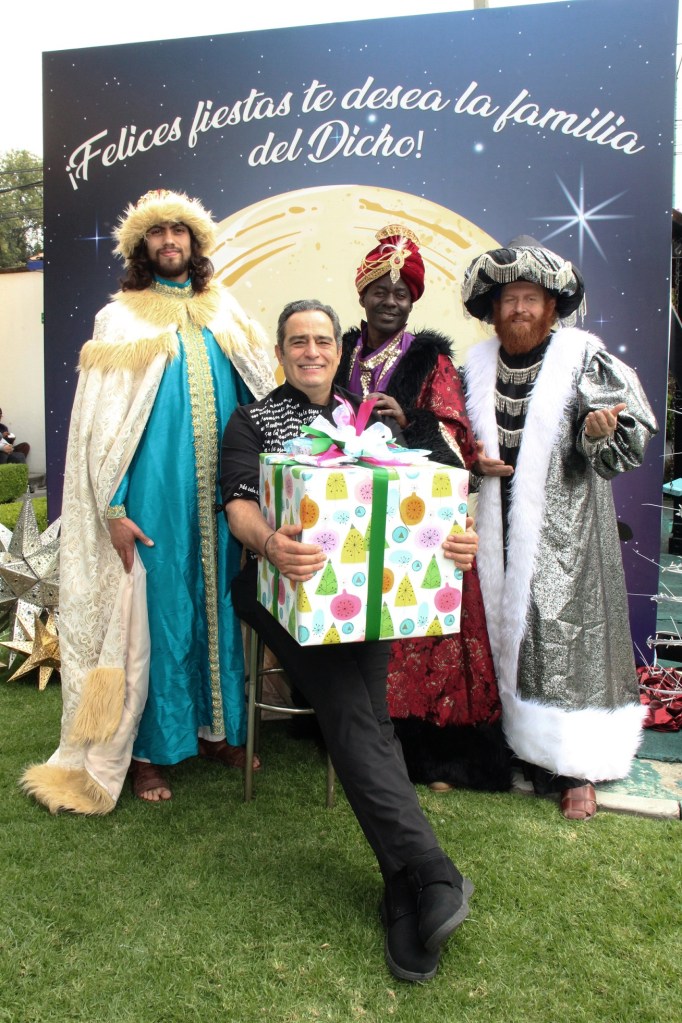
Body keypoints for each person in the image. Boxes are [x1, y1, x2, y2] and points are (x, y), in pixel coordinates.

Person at [221, 298, 478, 983]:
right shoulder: (253, 420)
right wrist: (270, 543)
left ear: (339, 351)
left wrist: (456, 539)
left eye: (323, 340)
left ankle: (405, 890)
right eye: (297, 341)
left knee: (358, 716)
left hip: (364, 595)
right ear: (281, 352)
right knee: (354, 710)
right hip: (275, 587)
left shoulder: (371, 421)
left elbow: (428, 496)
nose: (311, 351)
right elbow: (239, 505)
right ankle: (433, 870)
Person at [21, 188, 275, 814]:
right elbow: (100, 429)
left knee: (221, 610)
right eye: (157, 233)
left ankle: (217, 733)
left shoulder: (224, 311)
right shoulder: (120, 320)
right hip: (153, 499)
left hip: (223, 500)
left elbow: (260, 396)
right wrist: (113, 508)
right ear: (141, 246)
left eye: (178, 232)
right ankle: (147, 752)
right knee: (156, 620)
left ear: (194, 242)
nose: (169, 242)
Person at [461, 238, 658, 820]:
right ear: (493, 310)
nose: (520, 309)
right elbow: (450, 437)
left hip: (567, 532)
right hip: (492, 526)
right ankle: (508, 745)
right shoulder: (473, 367)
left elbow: (627, 440)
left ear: (551, 307)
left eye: (531, 298)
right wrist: (472, 461)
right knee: (498, 633)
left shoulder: (584, 360)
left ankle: (576, 768)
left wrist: (599, 432)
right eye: (509, 299)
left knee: (566, 638)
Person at [335, 225, 509, 793]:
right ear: (362, 295)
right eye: (380, 291)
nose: (390, 301)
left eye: (401, 293)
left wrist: (409, 422)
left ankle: (433, 755)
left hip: (415, 515)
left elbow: (458, 444)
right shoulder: (338, 350)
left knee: (418, 628)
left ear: (413, 301)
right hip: (348, 513)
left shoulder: (429, 360)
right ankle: (354, 734)